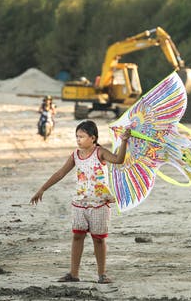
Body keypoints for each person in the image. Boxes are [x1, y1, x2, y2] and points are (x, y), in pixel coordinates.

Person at [30, 120, 131, 284]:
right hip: (79, 203)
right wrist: (42, 189)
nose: (78, 140)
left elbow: (119, 159)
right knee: (77, 236)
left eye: (82, 137)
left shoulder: (100, 152)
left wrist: (124, 141)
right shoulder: (75, 155)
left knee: (98, 239)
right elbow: (60, 173)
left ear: (93, 138)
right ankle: (73, 274)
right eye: (77, 136)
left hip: (99, 203)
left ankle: (102, 274)